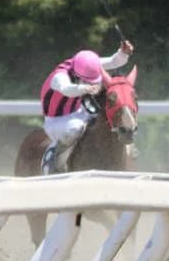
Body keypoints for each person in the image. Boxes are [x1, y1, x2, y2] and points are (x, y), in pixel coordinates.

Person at [40, 40, 134, 174]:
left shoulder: (87, 65)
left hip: (79, 110)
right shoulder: (59, 77)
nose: (91, 83)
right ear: (76, 75)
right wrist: (84, 88)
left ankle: (128, 150)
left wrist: (123, 53)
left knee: (107, 118)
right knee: (75, 128)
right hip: (57, 119)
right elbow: (67, 89)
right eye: (87, 81)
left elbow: (114, 61)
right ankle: (54, 158)